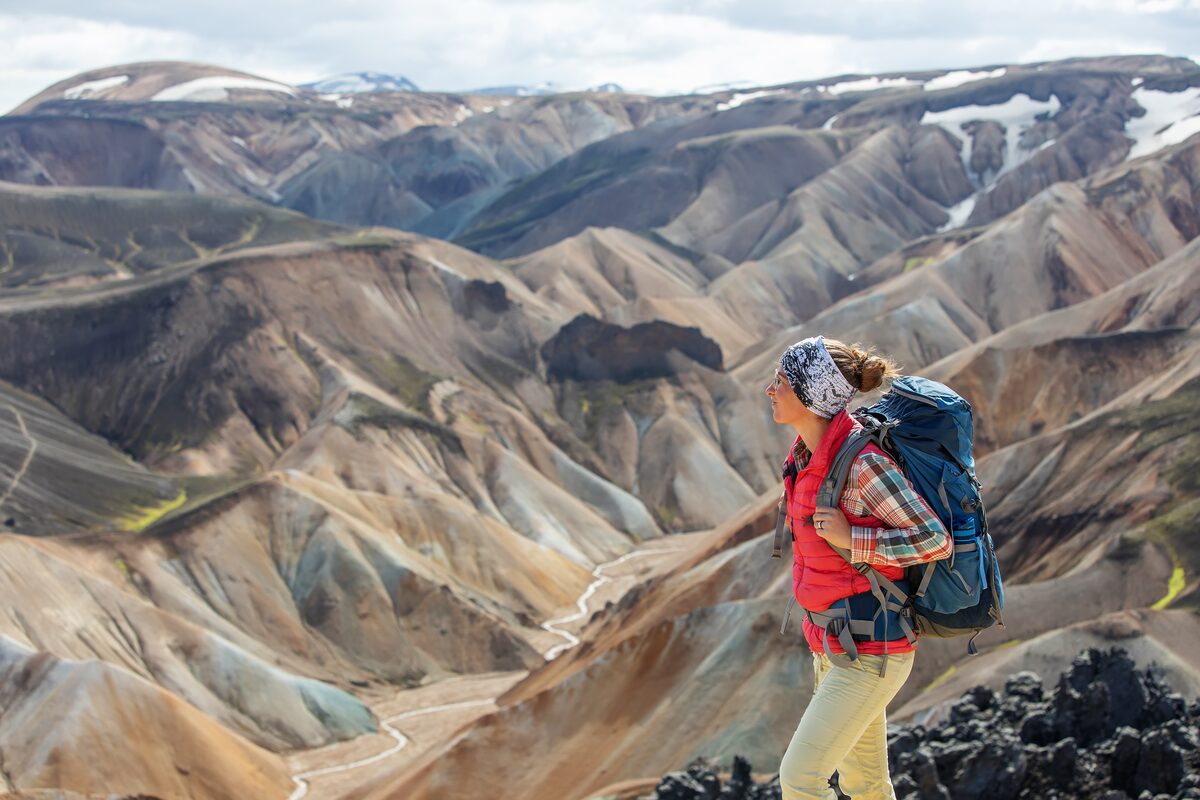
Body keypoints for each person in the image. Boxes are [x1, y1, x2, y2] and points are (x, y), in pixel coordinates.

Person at [766, 335, 952, 800]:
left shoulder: (862, 464)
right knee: (866, 785)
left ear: (811, 394)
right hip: (834, 647)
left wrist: (854, 539)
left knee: (800, 780)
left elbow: (935, 540)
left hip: (871, 652)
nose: (770, 389)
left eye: (781, 381)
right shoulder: (807, 457)